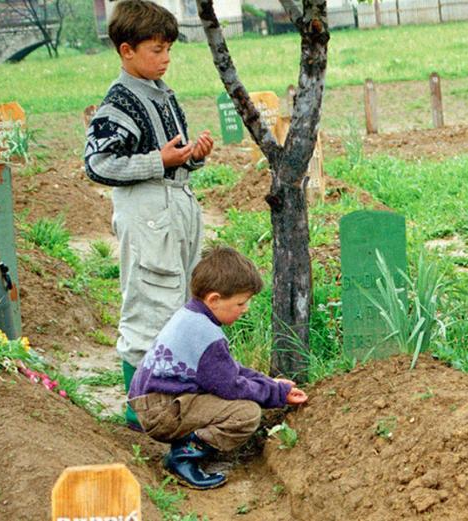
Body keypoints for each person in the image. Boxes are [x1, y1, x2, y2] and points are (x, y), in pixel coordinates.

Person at [83, 0, 215, 429]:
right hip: (145, 211)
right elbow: (98, 163)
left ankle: (172, 400)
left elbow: (171, 155)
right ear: (127, 51)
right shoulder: (119, 101)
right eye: (156, 50)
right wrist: (158, 160)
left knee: (180, 300)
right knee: (148, 302)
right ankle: (138, 411)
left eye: (169, 50)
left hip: (176, 204)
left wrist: (191, 157)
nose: (166, 59)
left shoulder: (162, 95)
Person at [128, 246, 309, 489]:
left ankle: (189, 446)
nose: (245, 309)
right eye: (240, 303)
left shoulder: (191, 317)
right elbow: (231, 386)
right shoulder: (205, 334)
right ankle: (183, 457)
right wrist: (275, 395)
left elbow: (230, 369)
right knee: (245, 414)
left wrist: (272, 385)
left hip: (157, 403)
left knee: (236, 403)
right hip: (161, 412)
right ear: (214, 299)